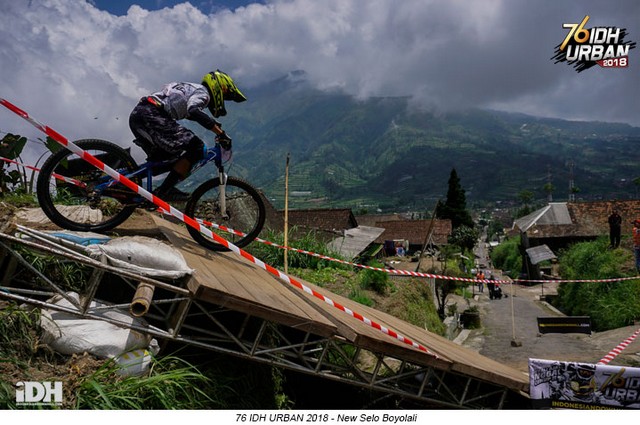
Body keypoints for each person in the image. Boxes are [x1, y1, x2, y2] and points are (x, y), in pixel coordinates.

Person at [129, 70, 246, 200]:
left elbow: (190, 113)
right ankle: (165, 191)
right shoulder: (203, 94)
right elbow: (194, 111)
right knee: (197, 147)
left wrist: (213, 123)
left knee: (168, 159)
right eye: (224, 96)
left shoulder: (192, 88)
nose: (223, 100)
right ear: (218, 87)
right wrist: (221, 134)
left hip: (141, 115)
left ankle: (125, 180)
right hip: (151, 115)